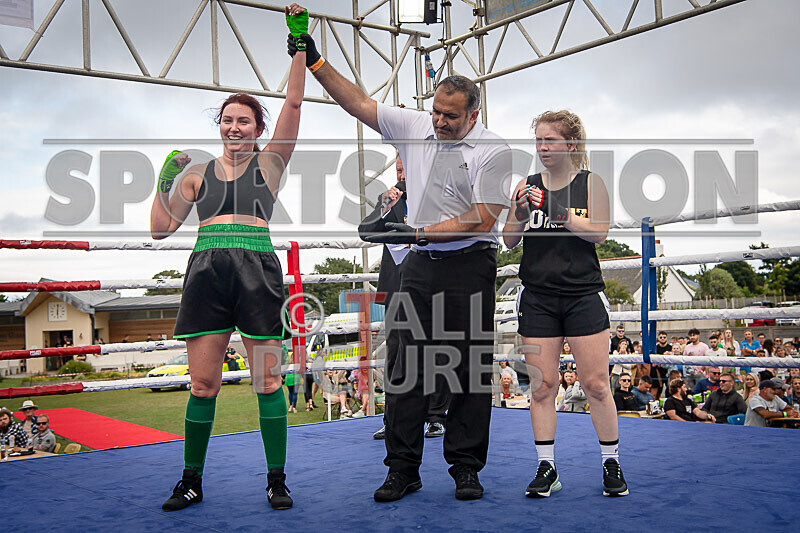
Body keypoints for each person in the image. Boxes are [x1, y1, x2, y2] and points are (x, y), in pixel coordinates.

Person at [287, 24, 512, 502]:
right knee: (406, 366)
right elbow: (359, 104)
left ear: (473, 115)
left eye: (450, 116)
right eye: (435, 111)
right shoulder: (415, 125)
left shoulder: (494, 149)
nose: (439, 122)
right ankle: (402, 468)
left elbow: (482, 217)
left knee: (469, 368)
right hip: (423, 264)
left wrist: (415, 231)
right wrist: (314, 59)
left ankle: (466, 468)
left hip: (470, 262)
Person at [151, 5, 307, 512]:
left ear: (258, 128)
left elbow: (294, 104)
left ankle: (276, 478)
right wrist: (164, 179)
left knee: (267, 378)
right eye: (227, 120)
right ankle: (191, 479)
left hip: (257, 270)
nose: (234, 127)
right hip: (207, 272)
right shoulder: (196, 174)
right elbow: (159, 230)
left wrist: (299, 45)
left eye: (244, 120)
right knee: (203, 383)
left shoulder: (270, 163)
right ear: (219, 126)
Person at [502, 110, 627, 498]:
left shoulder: (591, 183)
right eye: (538, 140)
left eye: (549, 140)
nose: (542, 148)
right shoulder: (527, 184)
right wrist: (521, 211)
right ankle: (546, 466)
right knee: (542, 387)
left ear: (570, 144)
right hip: (537, 296)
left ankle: (611, 461)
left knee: (595, 384)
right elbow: (508, 241)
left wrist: (555, 210)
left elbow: (599, 233)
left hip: (582, 295)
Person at [359, 154, 450, 441]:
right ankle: (394, 418)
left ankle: (436, 417)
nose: (401, 173)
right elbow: (367, 231)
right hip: (397, 286)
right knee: (396, 355)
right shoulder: (388, 199)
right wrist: (385, 208)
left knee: (437, 350)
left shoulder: (438, 197)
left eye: (405, 167)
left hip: (434, 280)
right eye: (398, 168)